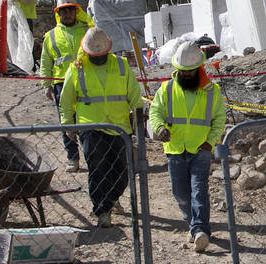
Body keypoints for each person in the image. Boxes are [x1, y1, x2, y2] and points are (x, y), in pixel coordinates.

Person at [58, 27, 142, 228]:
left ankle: (111, 199)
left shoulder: (121, 66)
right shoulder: (77, 69)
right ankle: (102, 210)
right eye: (94, 55)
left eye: (101, 55)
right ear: (86, 52)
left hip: (120, 127)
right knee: (98, 170)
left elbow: (134, 95)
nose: (97, 58)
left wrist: (139, 118)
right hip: (91, 127)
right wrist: (68, 126)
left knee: (122, 171)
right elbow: (66, 100)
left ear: (108, 50)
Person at [149, 41, 226, 252]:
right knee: (180, 194)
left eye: (191, 71)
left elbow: (219, 119)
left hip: (200, 150)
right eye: (184, 71)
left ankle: (201, 230)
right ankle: (193, 226)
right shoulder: (166, 89)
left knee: (198, 190)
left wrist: (210, 143)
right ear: (178, 69)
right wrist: (159, 127)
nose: (188, 74)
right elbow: (155, 112)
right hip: (174, 150)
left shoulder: (212, 91)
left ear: (199, 67)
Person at [40, 0, 93, 172]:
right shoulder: (51, 35)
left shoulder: (88, 30)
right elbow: (46, 60)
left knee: (86, 121)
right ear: (59, 13)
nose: (67, 14)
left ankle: (90, 157)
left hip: (85, 82)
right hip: (61, 84)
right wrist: (46, 85)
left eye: (70, 10)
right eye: (64, 11)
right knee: (67, 122)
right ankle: (72, 158)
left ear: (76, 11)